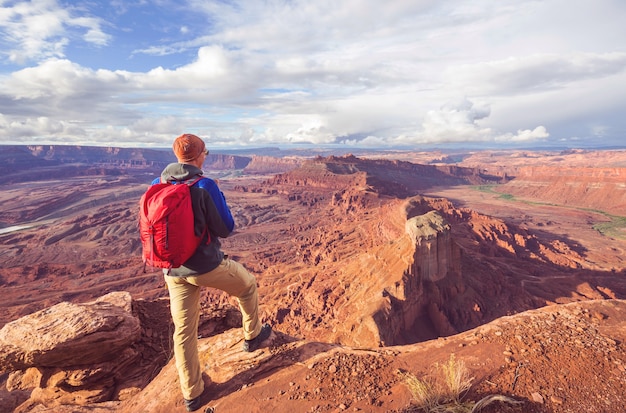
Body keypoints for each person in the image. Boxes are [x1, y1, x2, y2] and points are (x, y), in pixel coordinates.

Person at [153, 133, 272, 412]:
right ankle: (253, 335)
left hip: (172, 271)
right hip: (206, 266)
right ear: (200, 156)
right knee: (247, 285)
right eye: (206, 153)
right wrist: (219, 196)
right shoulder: (205, 185)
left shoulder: (157, 183)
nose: (205, 156)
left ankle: (192, 394)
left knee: (184, 332)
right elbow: (226, 228)